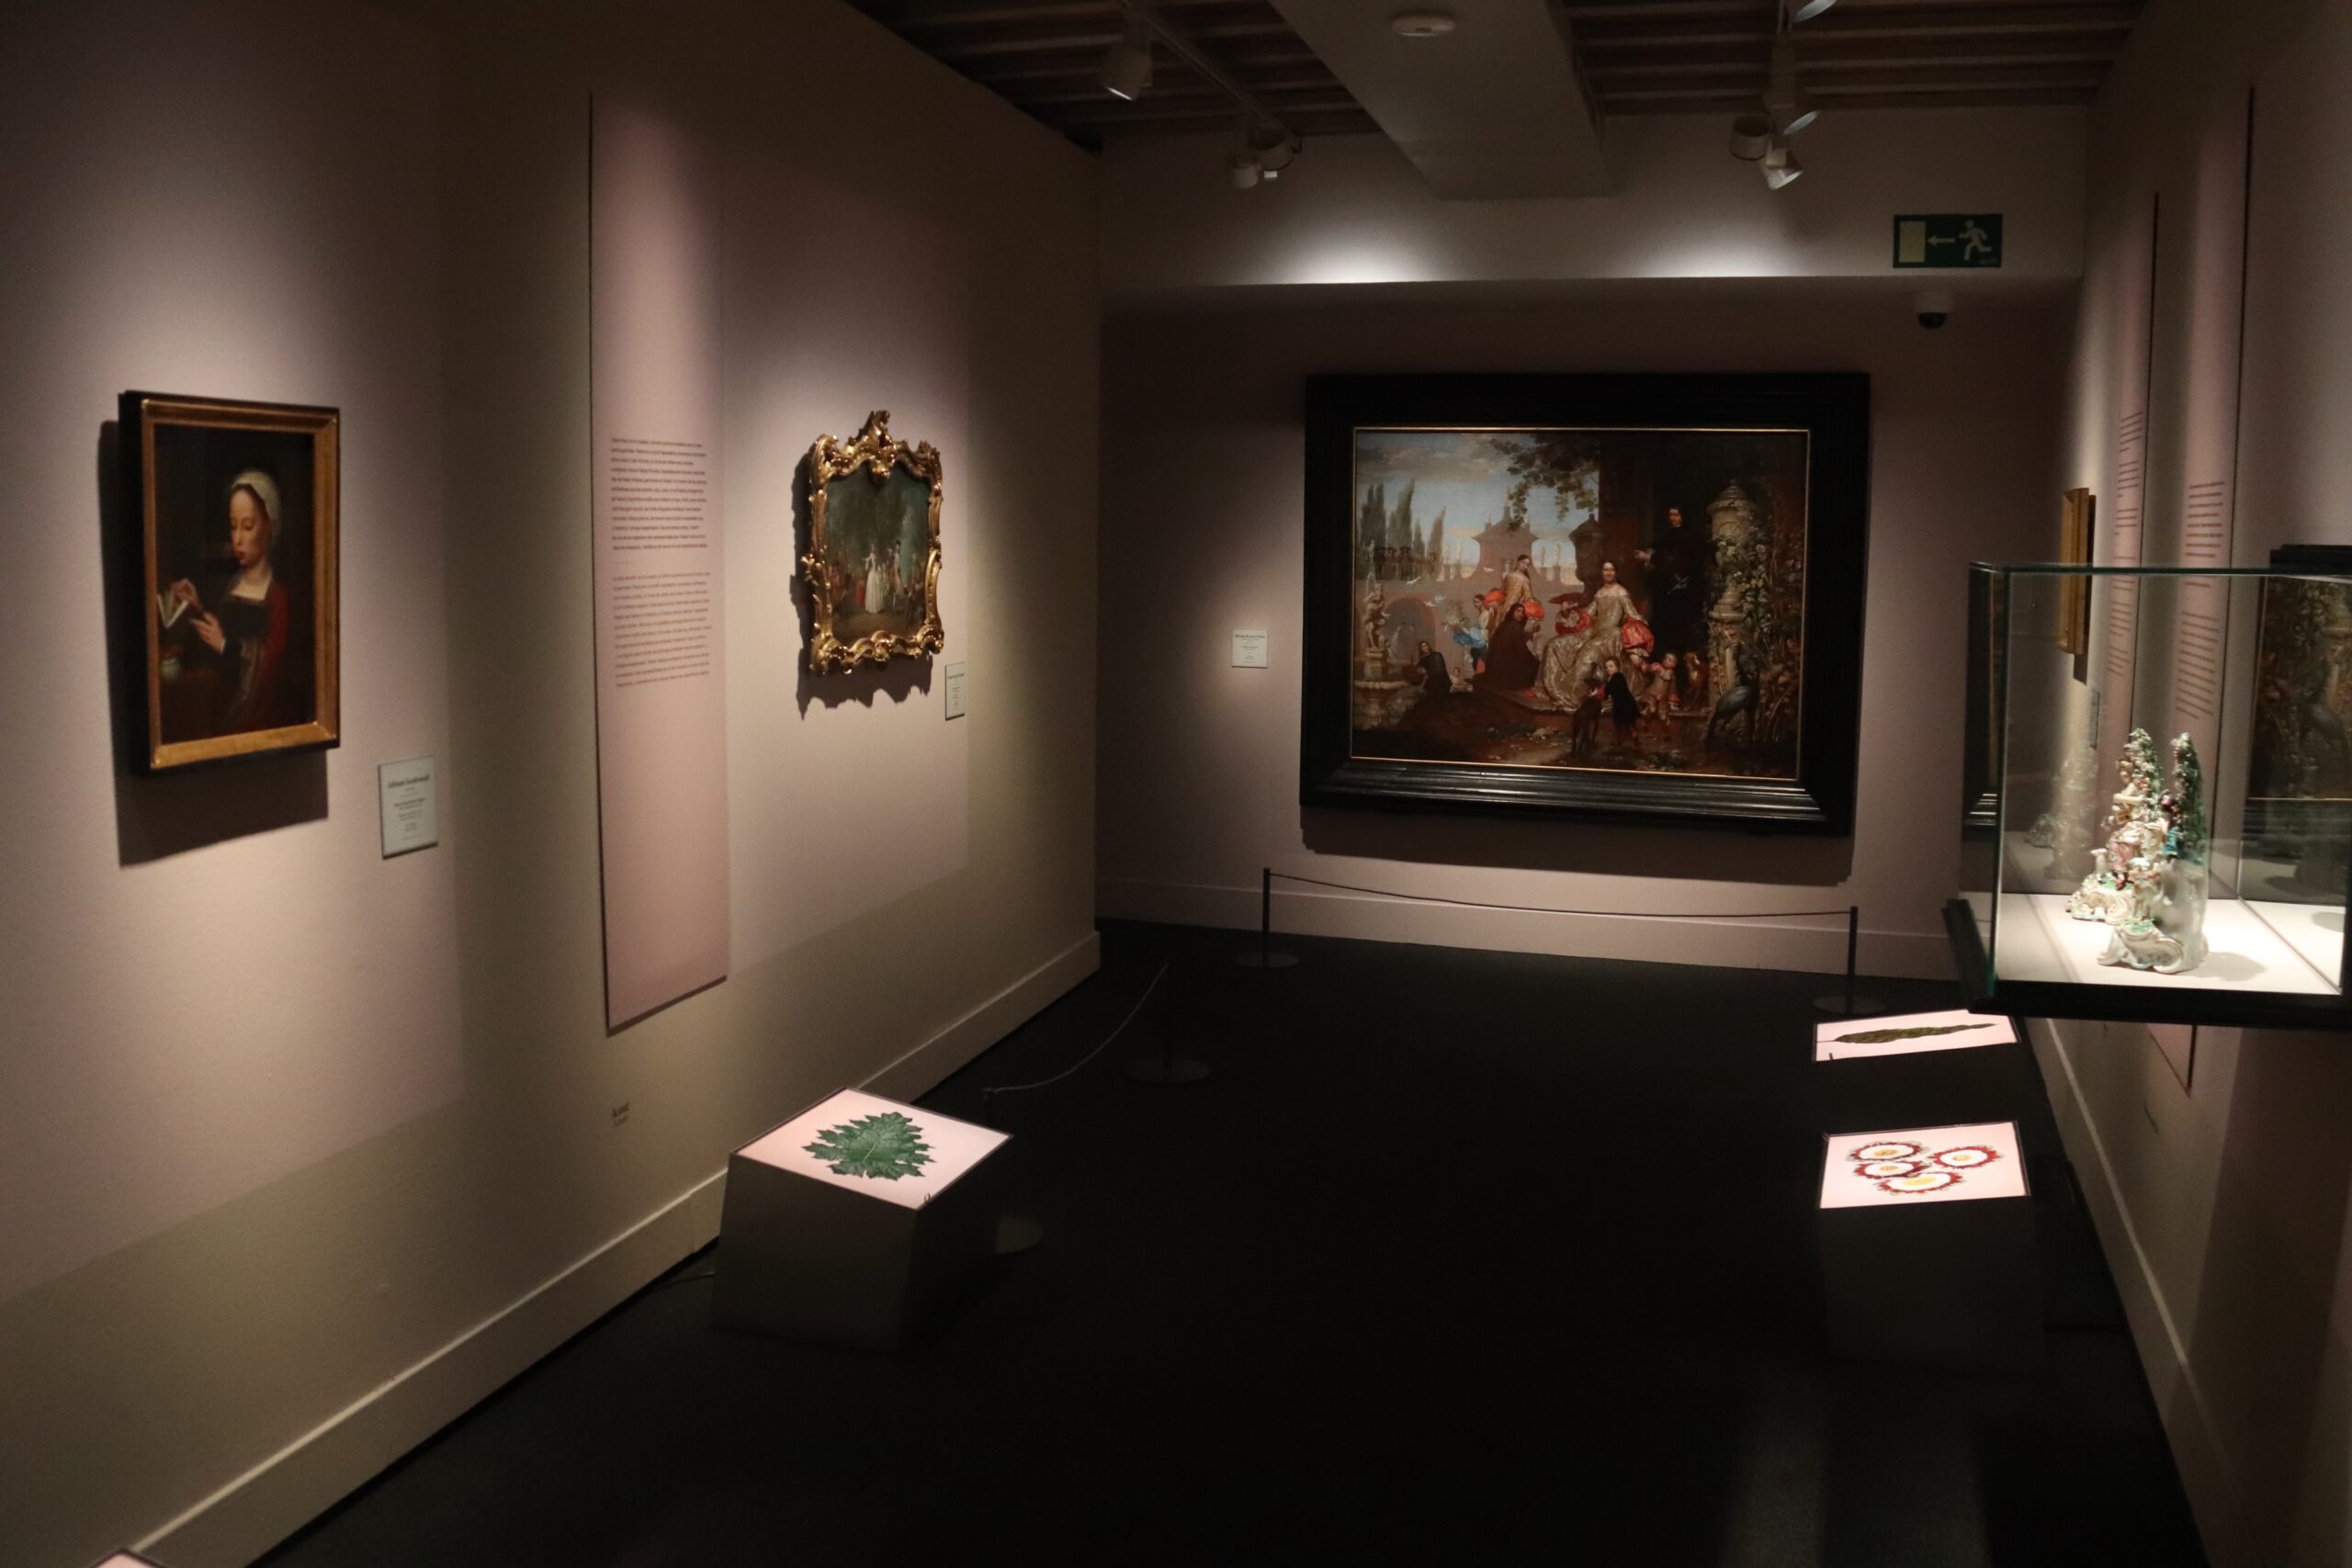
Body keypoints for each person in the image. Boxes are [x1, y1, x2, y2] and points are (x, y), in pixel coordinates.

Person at [164, 468, 300, 736]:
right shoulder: (231, 586)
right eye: (233, 525)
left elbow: (268, 672)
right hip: (220, 716)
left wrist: (225, 645)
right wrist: (196, 607)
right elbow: (216, 650)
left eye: (247, 526)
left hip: (258, 725)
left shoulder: (277, 597)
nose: (237, 538)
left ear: (270, 527)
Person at [1536, 559, 1645, 711]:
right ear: (1602, 572)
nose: (1608, 573)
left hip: (1610, 635)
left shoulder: (1621, 593)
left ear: (1616, 572)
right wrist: (1567, 611)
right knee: (1555, 644)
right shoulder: (1600, 593)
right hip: (1593, 632)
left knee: (1586, 656)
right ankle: (1555, 689)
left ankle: (1574, 697)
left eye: (1611, 570)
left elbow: (1632, 615)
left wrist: (1636, 641)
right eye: (1606, 570)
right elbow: (1587, 614)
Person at [1634, 507, 1709, 685]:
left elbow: (1677, 561)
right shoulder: (1667, 535)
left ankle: (1681, 684)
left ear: (1683, 516)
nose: (1673, 518)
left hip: (1684, 599)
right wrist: (1650, 556)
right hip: (1666, 599)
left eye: (1676, 514)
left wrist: (1650, 558)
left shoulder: (1689, 537)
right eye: (1670, 515)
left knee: (1683, 638)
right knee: (1662, 636)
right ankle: (1662, 682)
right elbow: (1661, 557)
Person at [1475, 600, 1540, 692]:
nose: (1520, 614)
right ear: (1512, 612)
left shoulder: (1504, 624)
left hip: (1497, 664)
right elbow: (1520, 649)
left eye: (1522, 612)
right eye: (1517, 611)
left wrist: (1531, 632)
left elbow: (1517, 642)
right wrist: (1532, 658)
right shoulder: (1515, 626)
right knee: (1535, 664)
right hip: (1507, 665)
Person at [1413, 639, 1453, 705]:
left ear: (1428, 646)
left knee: (1440, 704)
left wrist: (1427, 672)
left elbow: (1440, 670)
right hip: (1431, 683)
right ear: (1421, 649)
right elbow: (1419, 669)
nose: (1425, 647)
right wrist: (1420, 670)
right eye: (1423, 646)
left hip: (1441, 683)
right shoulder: (1423, 658)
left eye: (1426, 645)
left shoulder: (1437, 655)